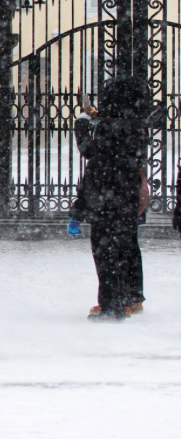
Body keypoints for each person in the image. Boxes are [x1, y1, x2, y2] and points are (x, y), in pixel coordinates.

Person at [69, 76, 148, 322]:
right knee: (126, 249)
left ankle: (112, 306)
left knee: (106, 254)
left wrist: (82, 126)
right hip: (126, 198)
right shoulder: (136, 125)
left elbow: (92, 155)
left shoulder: (111, 126)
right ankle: (130, 299)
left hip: (107, 200)